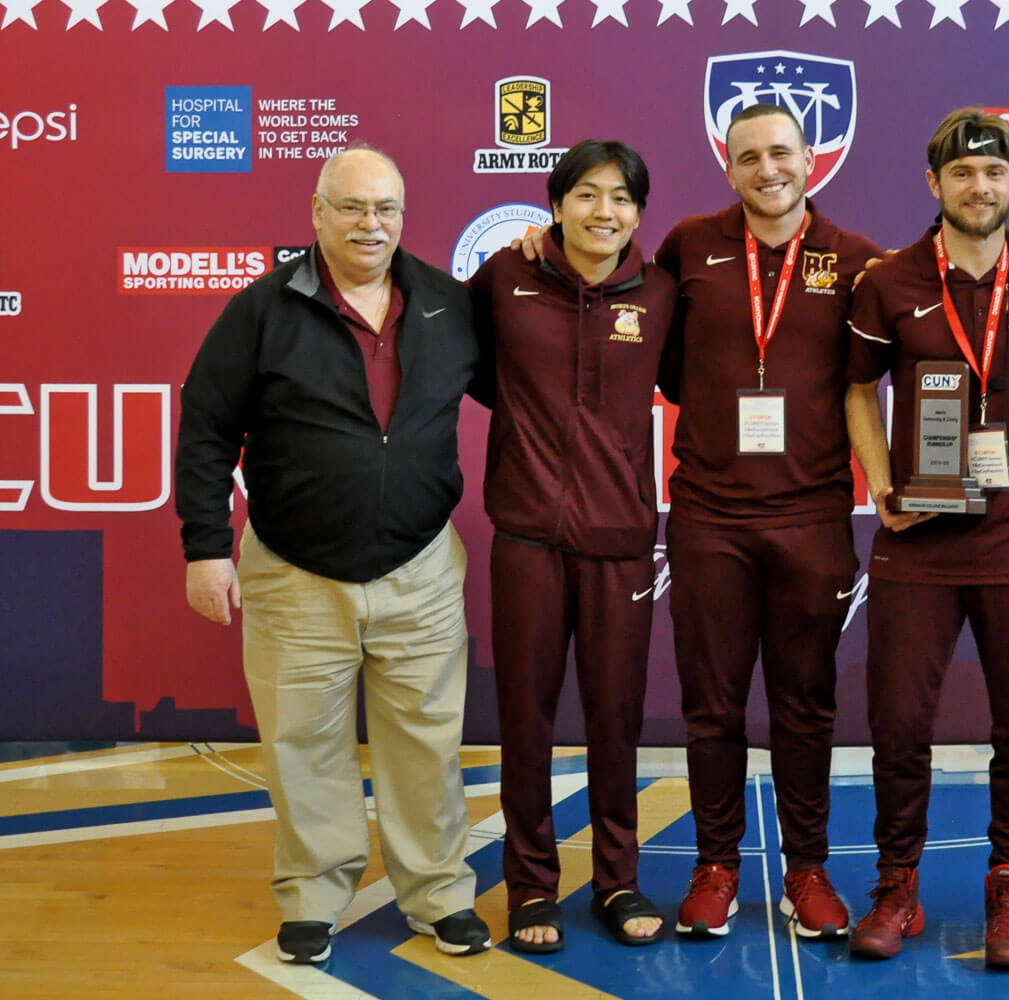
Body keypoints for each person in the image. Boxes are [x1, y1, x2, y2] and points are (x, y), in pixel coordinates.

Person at [175, 146, 490, 964]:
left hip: (420, 568)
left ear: (404, 216)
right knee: (302, 743)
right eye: (350, 207)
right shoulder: (263, 310)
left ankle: (439, 894)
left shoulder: (449, 304)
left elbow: (534, 369)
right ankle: (315, 896)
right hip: (293, 571)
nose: (369, 224)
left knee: (425, 743)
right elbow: (205, 427)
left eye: (385, 208)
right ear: (317, 213)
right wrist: (206, 548)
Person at [841, 109, 1009, 968]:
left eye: (997, 174)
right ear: (933, 185)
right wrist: (881, 487)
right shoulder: (889, 280)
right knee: (899, 726)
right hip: (920, 540)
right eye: (963, 174)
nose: (981, 187)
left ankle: (1008, 888)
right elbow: (857, 390)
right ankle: (897, 885)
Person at [654, 104, 884, 939]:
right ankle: (716, 864)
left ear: (810, 159)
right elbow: (647, 344)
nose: (767, 169)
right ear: (728, 165)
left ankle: (807, 868)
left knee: (805, 704)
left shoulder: (856, 259)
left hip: (813, 515)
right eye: (748, 156)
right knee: (711, 706)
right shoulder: (688, 245)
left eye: (781, 152)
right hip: (710, 515)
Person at [468, 140, 676, 953]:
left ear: (638, 213)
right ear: (556, 205)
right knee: (526, 719)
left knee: (616, 720)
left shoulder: (661, 294)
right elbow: (477, 374)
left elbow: (692, 377)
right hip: (526, 537)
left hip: (622, 539)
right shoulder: (504, 279)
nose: (604, 212)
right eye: (586, 195)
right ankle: (531, 889)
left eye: (622, 198)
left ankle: (618, 881)